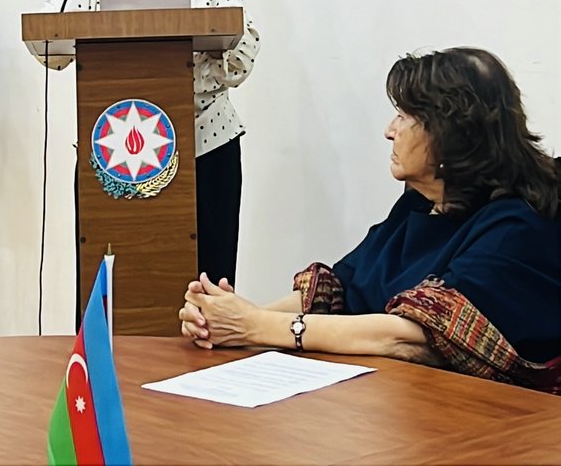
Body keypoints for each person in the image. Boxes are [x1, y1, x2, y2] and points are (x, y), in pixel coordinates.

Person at [180, 47, 561, 393]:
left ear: (451, 132)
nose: (389, 131)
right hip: (403, 406)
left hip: (494, 423)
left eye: (404, 117)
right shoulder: (421, 204)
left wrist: (258, 326)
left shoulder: (517, 226)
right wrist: (227, 318)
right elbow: (340, 290)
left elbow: (413, 338)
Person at [41, 0, 259, 286]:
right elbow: (51, 43)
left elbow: (240, 54)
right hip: (113, 150)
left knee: (209, 284)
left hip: (205, 143)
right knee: (119, 285)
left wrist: (196, 59)